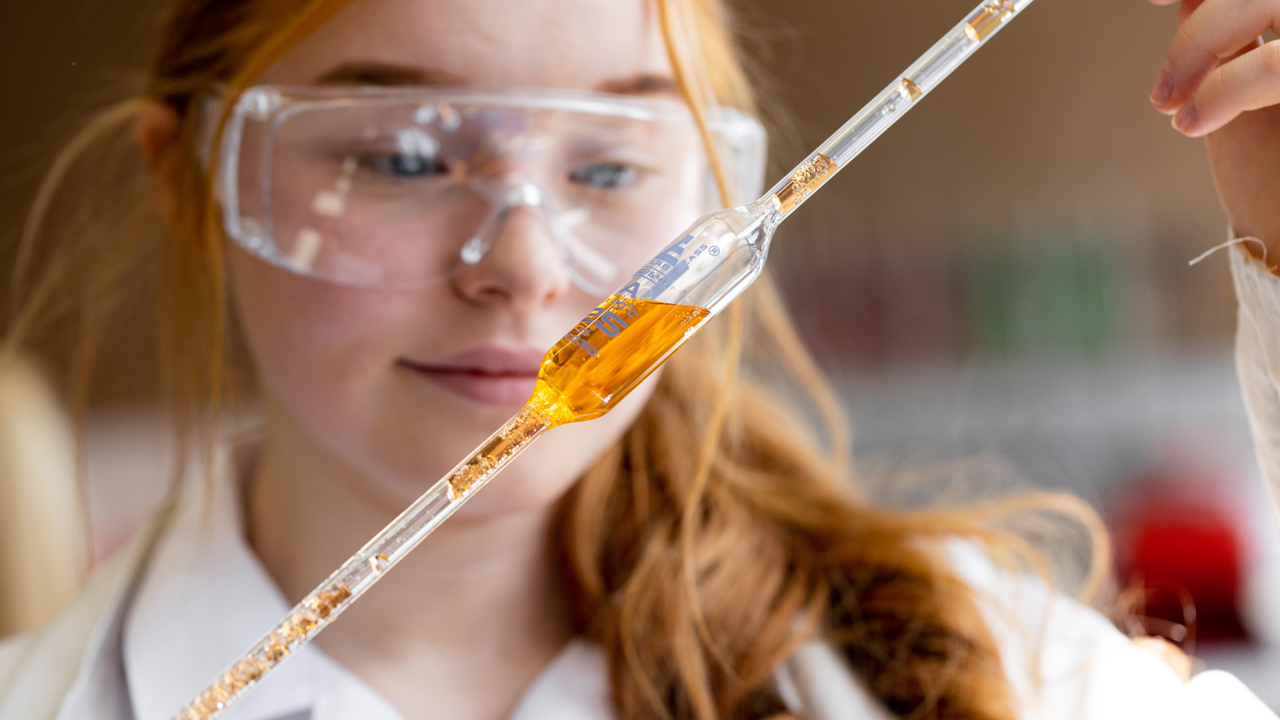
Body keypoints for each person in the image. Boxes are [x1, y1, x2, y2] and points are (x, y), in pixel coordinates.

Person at [0, 0, 1277, 718]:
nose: (524, 266)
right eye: (397, 155)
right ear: (192, 187)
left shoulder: (969, 665)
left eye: (609, 166)